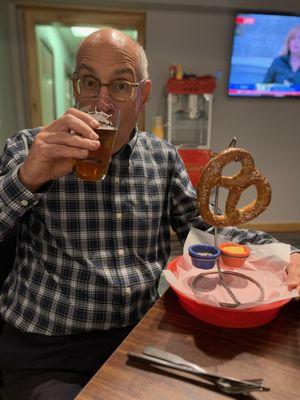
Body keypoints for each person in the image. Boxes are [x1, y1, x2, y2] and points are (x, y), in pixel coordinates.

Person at [0, 28, 299, 400]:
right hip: (45, 344)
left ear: (142, 95)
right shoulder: (30, 147)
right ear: (75, 87)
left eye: (121, 86)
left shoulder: (163, 158)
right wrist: (28, 178)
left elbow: (208, 229)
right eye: (90, 82)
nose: (103, 101)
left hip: (134, 336)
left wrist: (288, 255)